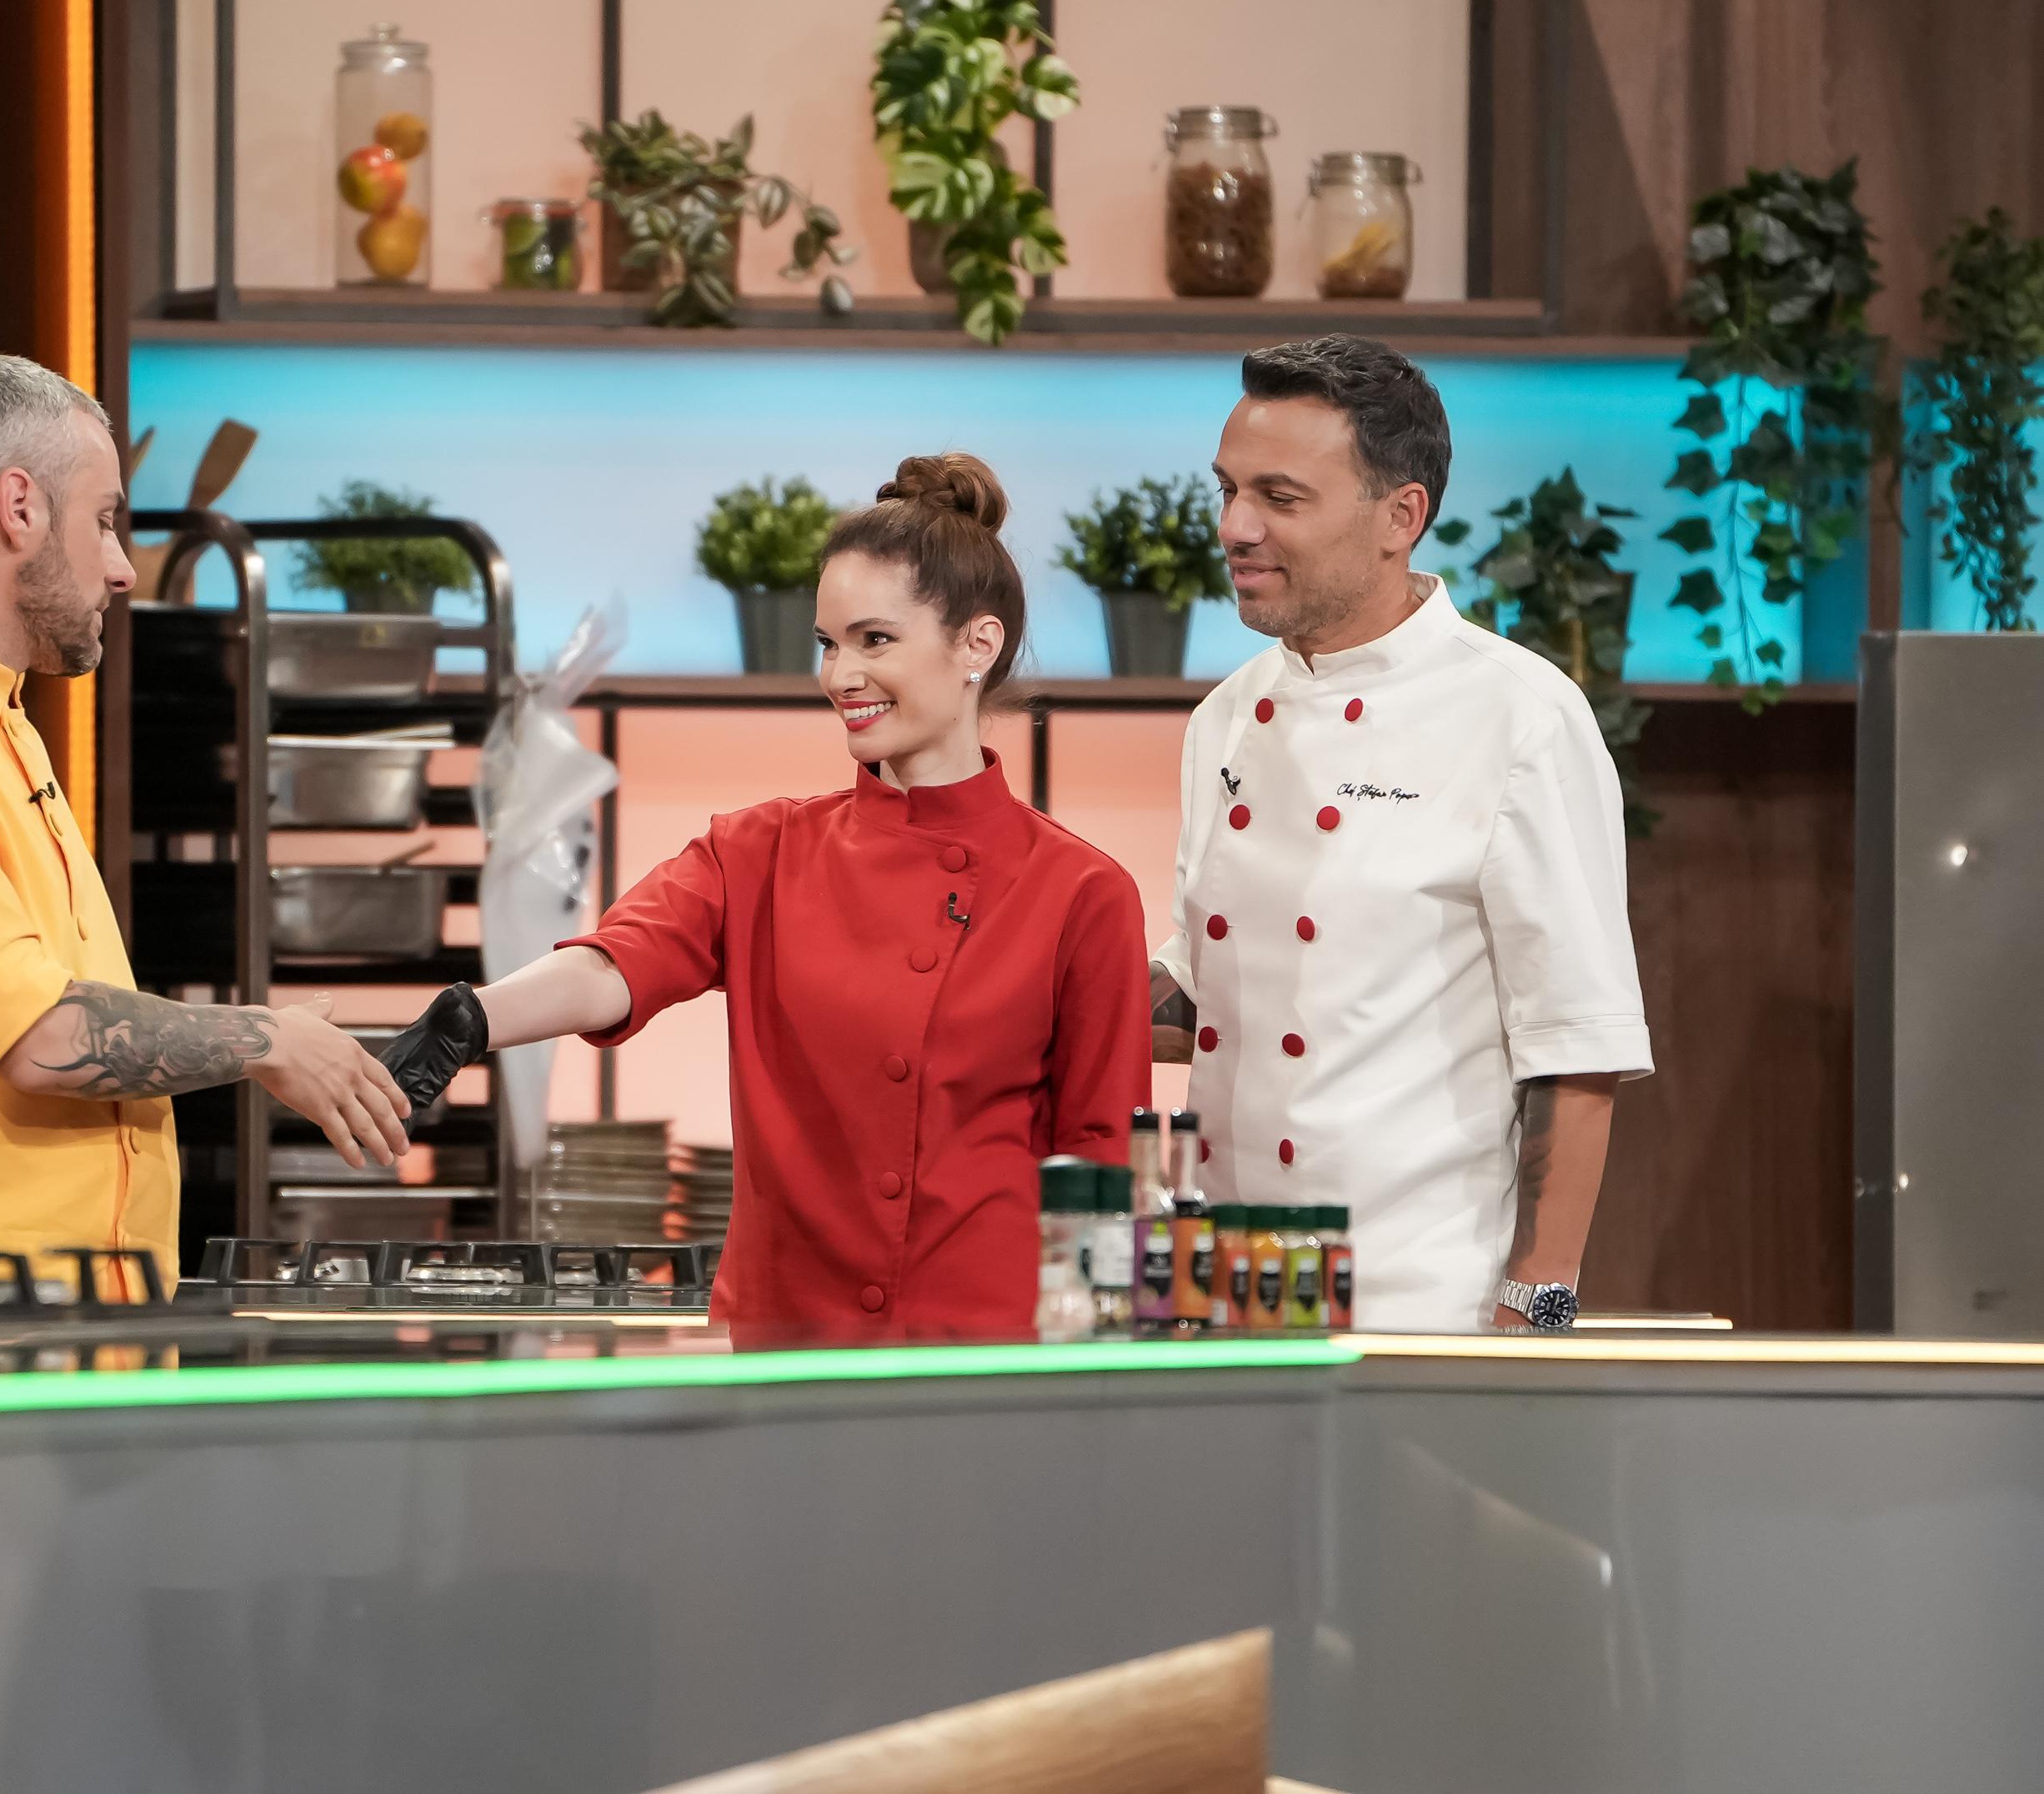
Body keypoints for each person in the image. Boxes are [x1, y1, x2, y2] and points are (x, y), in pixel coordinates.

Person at [383, 454, 1150, 1334]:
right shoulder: (758, 851)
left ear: (977, 644)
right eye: (828, 643)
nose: (839, 675)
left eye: (874, 640)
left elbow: (1102, 1163)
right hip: (787, 1342)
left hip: (986, 1350)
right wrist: (470, 1019)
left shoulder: (1082, 892)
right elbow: (619, 962)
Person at [0, 353, 407, 1290]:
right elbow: (41, 1034)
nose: (123, 567)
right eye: (103, 520)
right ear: (18, 507)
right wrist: (267, 1039)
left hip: (75, 1336)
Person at [1152, 335, 1652, 1332]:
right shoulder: (1224, 715)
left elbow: (1574, 1047)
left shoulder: (1518, 715)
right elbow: (1214, 985)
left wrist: (1534, 1310)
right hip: (1226, 1287)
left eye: (1279, 497)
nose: (1234, 526)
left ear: (1400, 516)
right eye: (1227, 489)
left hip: (1417, 1304)